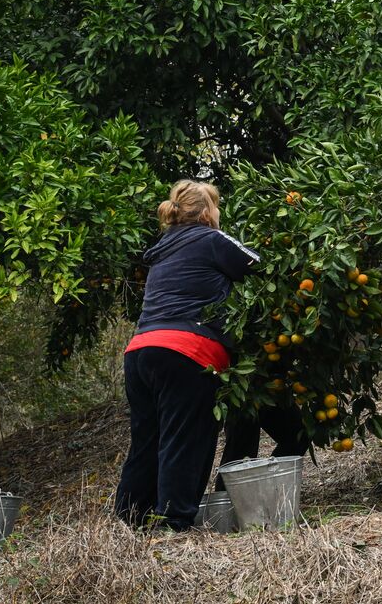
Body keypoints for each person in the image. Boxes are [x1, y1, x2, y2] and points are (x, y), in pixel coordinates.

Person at [115, 180, 259, 531]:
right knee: (186, 438)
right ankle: (172, 524)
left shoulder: (162, 248)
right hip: (187, 351)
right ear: (209, 211)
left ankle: (128, 521)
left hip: (140, 352)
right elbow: (258, 264)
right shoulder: (211, 239)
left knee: (147, 440)